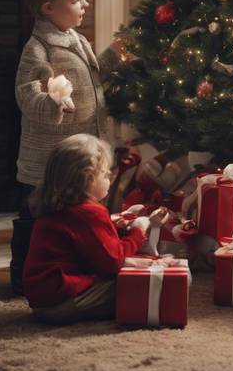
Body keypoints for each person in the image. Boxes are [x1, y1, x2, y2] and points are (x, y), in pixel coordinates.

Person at [10, 0, 127, 294]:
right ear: (48, 7)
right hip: (49, 159)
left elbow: (91, 75)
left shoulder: (77, 40)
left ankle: (71, 268)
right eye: (77, 0)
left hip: (82, 148)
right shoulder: (38, 49)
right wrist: (53, 103)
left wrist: (112, 57)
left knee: (72, 219)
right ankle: (22, 274)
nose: (85, 6)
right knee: (35, 216)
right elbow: (27, 94)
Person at [23, 134, 149, 324]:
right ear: (87, 178)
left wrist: (112, 224)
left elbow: (83, 243)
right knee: (138, 284)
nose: (109, 179)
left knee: (127, 270)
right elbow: (113, 261)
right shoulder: (89, 213)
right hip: (64, 302)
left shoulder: (58, 206)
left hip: (43, 301)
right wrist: (138, 231)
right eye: (105, 174)